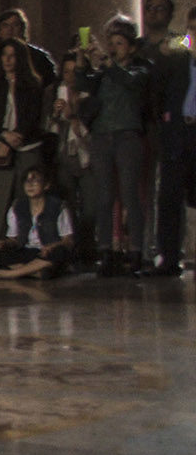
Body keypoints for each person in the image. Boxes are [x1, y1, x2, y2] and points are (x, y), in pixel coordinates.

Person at [78, 16, 152, 276]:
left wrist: (109, 65)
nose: (114, 48)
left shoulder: (140, 69)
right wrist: (82, 60)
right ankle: (106, 250)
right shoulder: (103, 73)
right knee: (105, 196)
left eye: (119, 43)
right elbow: (83, 83)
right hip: (102, 136)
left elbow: (130, 82)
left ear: (131, 47)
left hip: (127, 136)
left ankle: (137, 251)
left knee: (131, 194)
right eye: (111, 43)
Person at [0, 37, 48, 245]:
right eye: (4, 56)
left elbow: (34, 117)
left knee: (27, 199)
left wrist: (17, 136)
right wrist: (3, 137)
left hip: (28, 146)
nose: (8, 60)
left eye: (12, 56)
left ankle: (30, 245)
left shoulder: (32, 84)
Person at [150, 9, 196, 277]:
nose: (193, 34)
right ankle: (168, 258)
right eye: (190, 28)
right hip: (179, 132)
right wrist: (170, 48)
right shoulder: (183, 48)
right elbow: (159, 57)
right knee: (169, 196)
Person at [0, 167, 74, 279]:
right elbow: (13, 240)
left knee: (60, 253)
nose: (30, 185)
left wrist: (53, 246)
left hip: (46, 252)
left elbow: (68, 240)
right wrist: (2, 243)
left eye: (35, 181)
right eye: (27, 181)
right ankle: (35, 272)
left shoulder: (58, 206)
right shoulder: (17, 206)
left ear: (46, 185)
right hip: (26, 252)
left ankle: (10, 273)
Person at [47, 52, 96, 264]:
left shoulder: (90, 97)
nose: (70, 76)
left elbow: (91, 132)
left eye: (75, 71)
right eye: (66, 72)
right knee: (68, 206)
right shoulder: (56, 93)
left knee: (90, 207)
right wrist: (56, 117)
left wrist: (72, 117)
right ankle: (71, 251)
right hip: (64, 157)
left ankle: (88, 249)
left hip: (87, 157)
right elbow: (50, 130)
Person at [0, 8, 56, 84]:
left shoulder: (39, 57)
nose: (10, 29)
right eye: (5, 25)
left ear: (23, 29)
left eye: (15, 25)